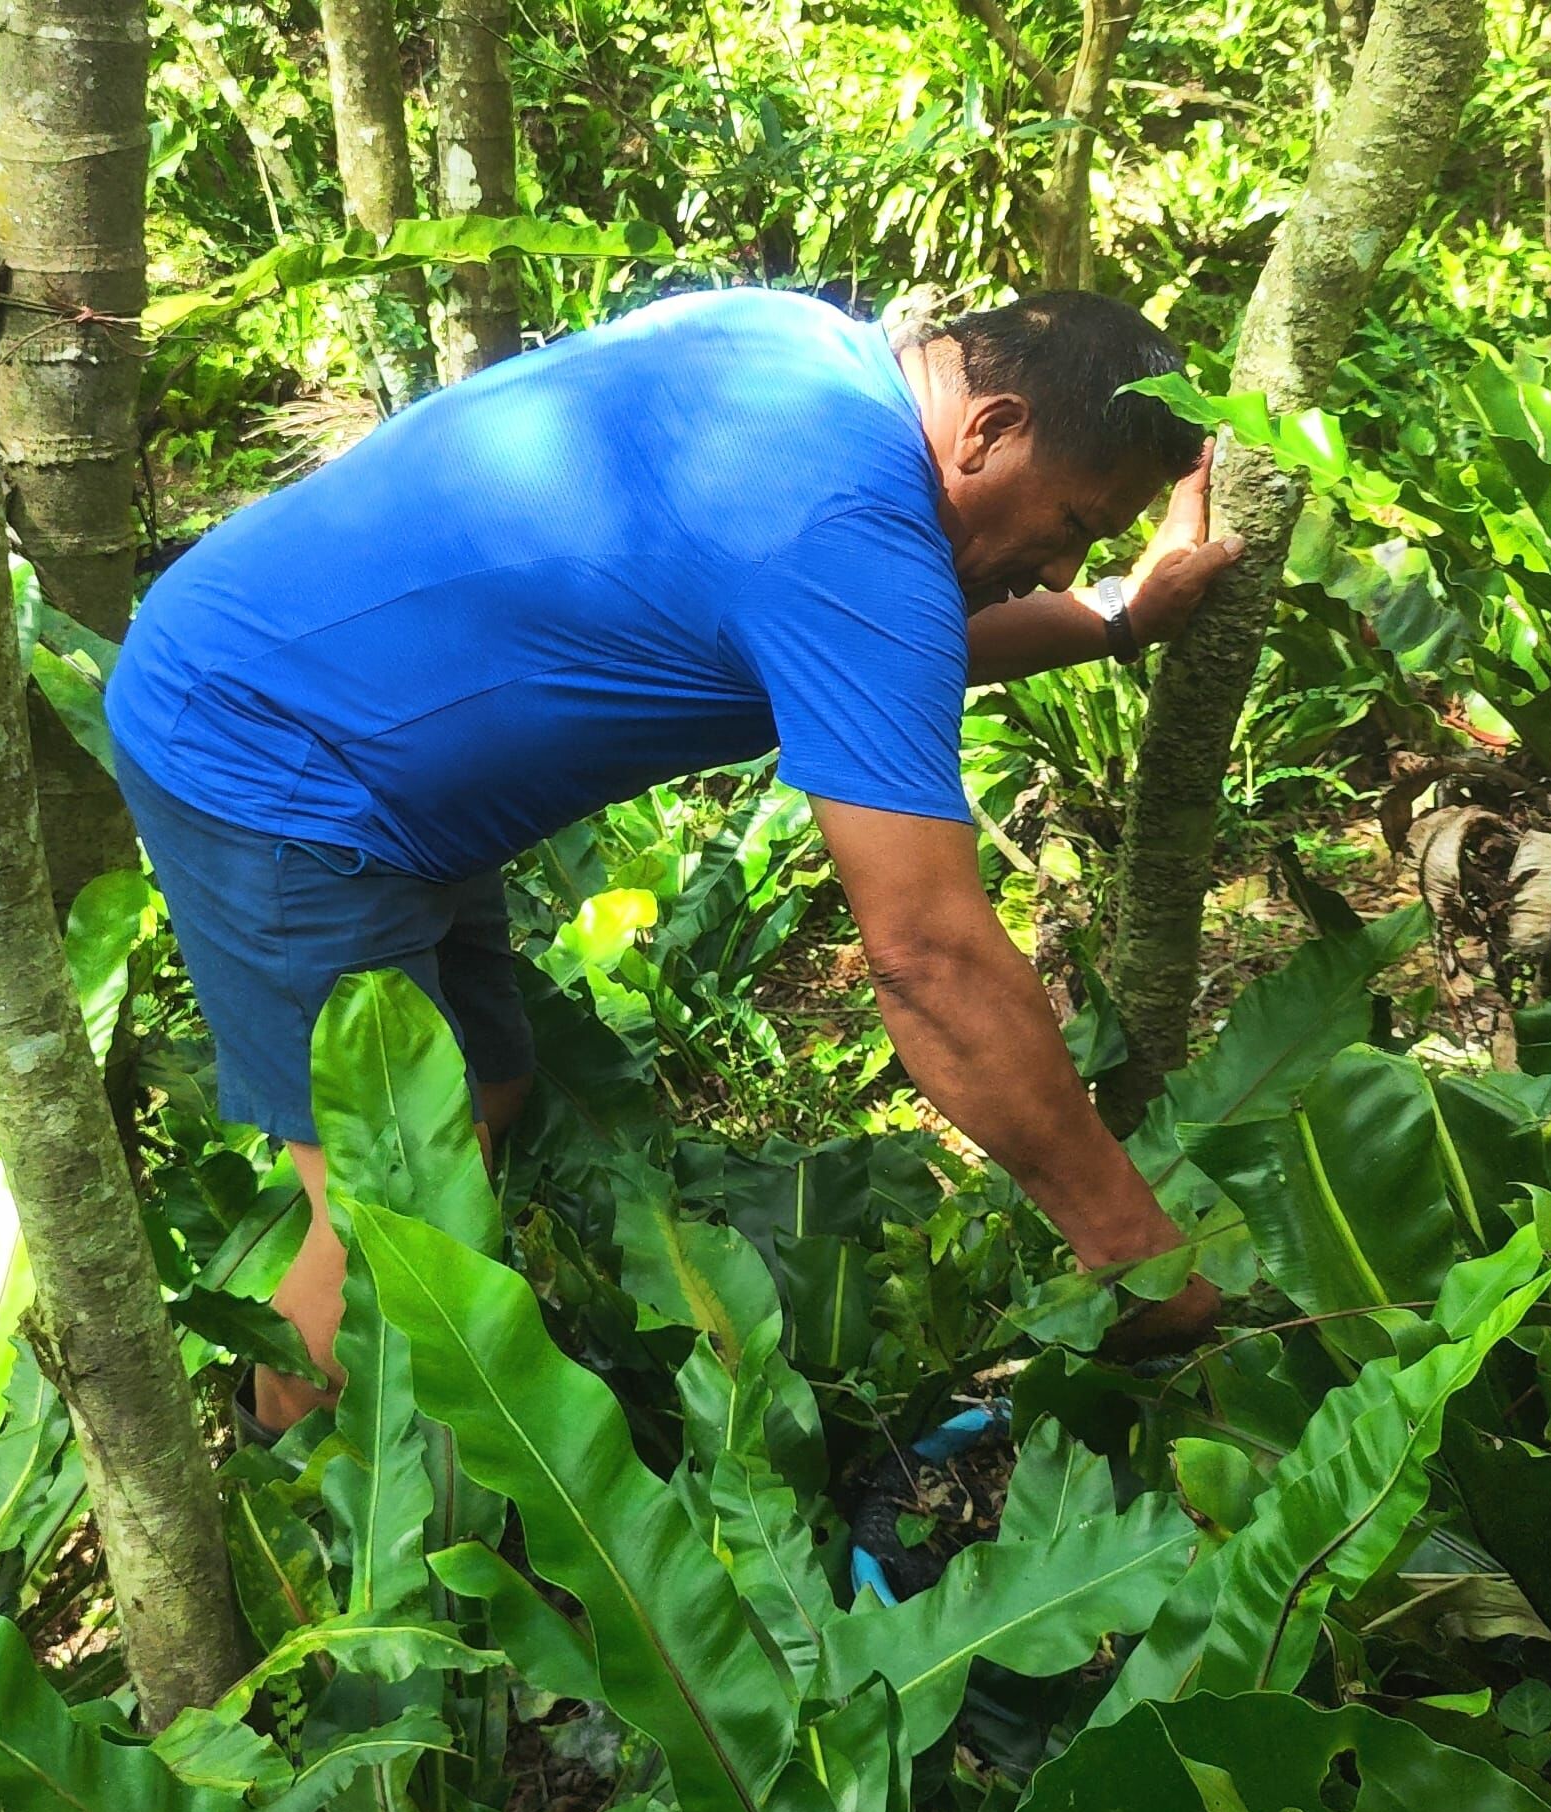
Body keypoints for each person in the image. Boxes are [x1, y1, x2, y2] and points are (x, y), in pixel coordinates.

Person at [105, 285, 1244, 1428]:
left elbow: (878, 639)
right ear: (989, 430)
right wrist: (1139, 1259)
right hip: (270, 756)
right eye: (1073, 527)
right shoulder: (843, 533)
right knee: (384, 1207)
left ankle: (411, 1398)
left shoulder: (799, 351)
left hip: (346, 711)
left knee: (479, 1095)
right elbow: (928, 961)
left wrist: (1114, 617)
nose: (1057, 568)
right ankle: (306, 1534)